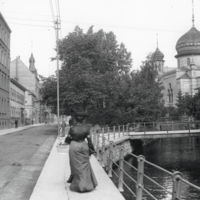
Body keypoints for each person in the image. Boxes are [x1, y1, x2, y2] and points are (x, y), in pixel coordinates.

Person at [65, 111, 97, 193]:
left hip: (74, 147)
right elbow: (89, 140)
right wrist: (92, 150)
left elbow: (67, 140)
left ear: (75, 120)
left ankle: (76, 183)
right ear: (83, 120)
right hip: (83, 146)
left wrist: (70, 140)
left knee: (75, 165)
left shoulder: (72, 128)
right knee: (85, 164)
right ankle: (87, 184)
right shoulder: (87, 128)